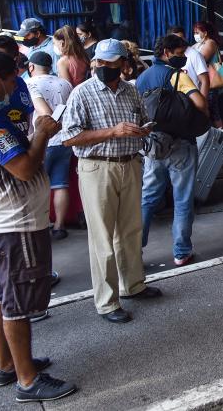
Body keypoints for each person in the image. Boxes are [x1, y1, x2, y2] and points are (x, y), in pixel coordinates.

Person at [0, 49, 78, 403]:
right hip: (14, 222)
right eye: (10, 81)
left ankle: (9, 364)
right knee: (17, 303)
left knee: (0, 294)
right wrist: (41, 133)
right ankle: (27, 380)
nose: (14, 88)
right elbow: (23, 168)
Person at [58, 39, 160, 323]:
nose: (102, 66)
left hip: (130, 163)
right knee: (102, 236)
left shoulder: (131, 91)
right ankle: (106, 301)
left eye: (109, 62)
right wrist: (111, 132)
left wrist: (140, 132)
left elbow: (143, 119)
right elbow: (69, 137)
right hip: (97, 168)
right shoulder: (82, 93)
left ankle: (133, 285)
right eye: (99, 61)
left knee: (130, 230)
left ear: (122, 64)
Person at [136, 35, 209, 268]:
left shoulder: (142, 77)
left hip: (153, 146)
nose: (183, 57)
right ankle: (181, 251)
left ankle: (135, 249)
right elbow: (200, 103)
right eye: (179, 53)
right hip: (181, 144)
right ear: (167, 52)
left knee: (148, 197)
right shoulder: (178, 76)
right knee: (183, 198)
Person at [26, 51, 74, 240]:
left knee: (37, 186)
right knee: (60, 184)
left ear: (31, 67)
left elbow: (40, 113)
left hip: (42, 140)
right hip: (64, 139)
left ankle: (40, 226)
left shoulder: (29, 84)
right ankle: (59, 226)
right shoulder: (65, 83)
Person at [192, 20, 223, 128]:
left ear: (205, 33)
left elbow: (200, 60)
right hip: (202, 83)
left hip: (210, 83)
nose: (195, 35)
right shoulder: (199, 44)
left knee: (213, 111)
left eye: (197, 32)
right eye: (194, 33)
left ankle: (221, 135)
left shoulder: (210, 42)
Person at [167, 25, 210, 104]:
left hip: (193, 102)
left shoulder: (194, 55)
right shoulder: (168, 56)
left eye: (181, 38)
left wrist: (202, 103)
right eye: (175, 39)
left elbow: (205, 81)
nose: (179, 41)